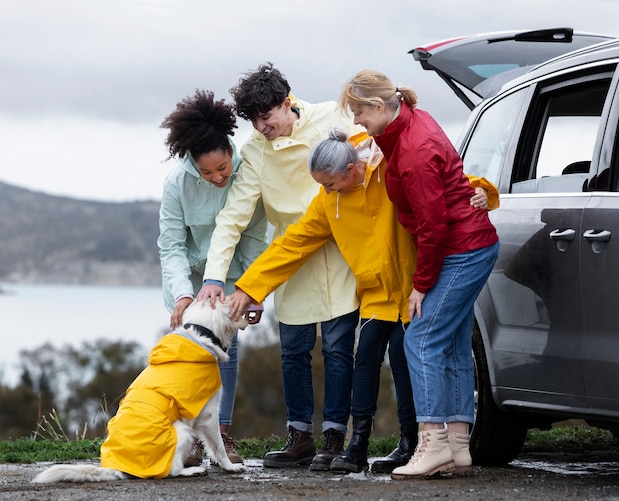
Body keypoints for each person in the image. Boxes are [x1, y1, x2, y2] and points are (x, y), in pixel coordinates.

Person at [226, 128, 498, 473]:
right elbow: (291, 245)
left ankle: (410, 444)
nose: (325, 191)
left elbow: (447, 182)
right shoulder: (328, 202)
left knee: (404, 364)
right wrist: (251, 287)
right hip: (374, 295)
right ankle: (357, 446)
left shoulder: (389, 172)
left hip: (416, 290)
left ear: (351, 171)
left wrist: (482, 191)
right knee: (365, 365)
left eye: (330, 184)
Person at [196, 63, 362, 471]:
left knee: (340, 348)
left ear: (287, 103)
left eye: (266, 117)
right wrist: (214, 277)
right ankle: (300, 436)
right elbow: (233, 217)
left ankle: (335, 437)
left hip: (342, 251)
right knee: (293, 351)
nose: (260, 127)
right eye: (252, 120)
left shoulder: (331, 117)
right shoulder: (254, 151)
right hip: (290, 254)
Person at [338, 70, 500, 480]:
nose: (356, 121)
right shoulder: (408, 121)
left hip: (462, 249)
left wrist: (421, 286)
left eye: (358, 112)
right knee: (455, 343)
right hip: (470, 244)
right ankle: (459, 446)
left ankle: (433, 443)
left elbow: (433, 226)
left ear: (378, 107)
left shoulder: (413, 149)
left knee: (422, 337)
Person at [157, 89, 268, 465]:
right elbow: (171, 246)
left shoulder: (247, 170)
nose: (218, 177)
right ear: (192, 163)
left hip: (233, 280)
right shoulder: (177, 183)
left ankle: (219, 435)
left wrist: (254, 290)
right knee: (187, 356)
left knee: (227, 352)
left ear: (230, 154)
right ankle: (186, 437)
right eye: (207, 172)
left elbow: (253, 237)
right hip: (190, 284)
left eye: (223, 168)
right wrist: (182, 297)